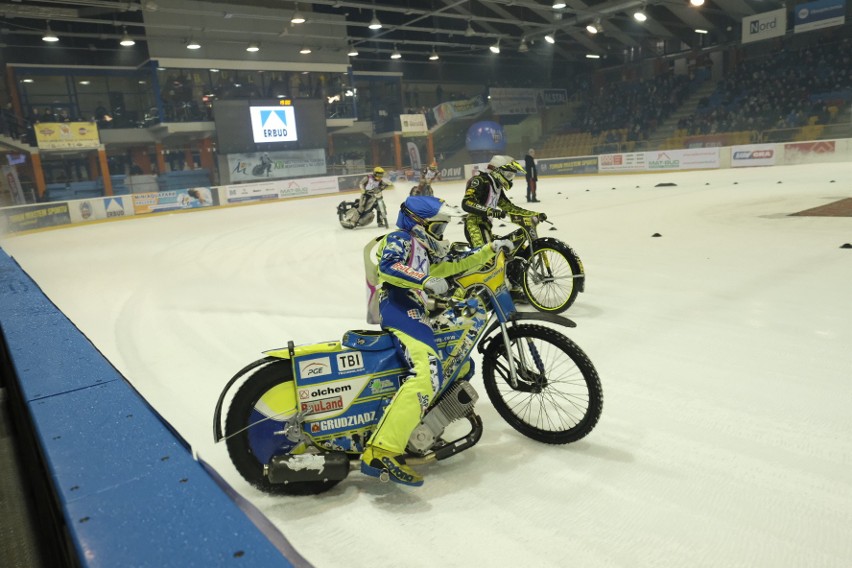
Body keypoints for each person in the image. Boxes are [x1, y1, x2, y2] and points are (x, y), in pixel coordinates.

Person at [361, 195, 512, 486]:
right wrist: (423, 281)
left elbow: (452, 265)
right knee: (428, 373)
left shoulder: (419, 247)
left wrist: (490, 249)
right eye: (438, 229)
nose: (441, 236)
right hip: (397, 304)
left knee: (455, 361)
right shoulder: (399, 238)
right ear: (419, 224)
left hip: (411, 304)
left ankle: (422, 423)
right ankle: (381, 451)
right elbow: (388, 267)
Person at [461, 155, 545, 250]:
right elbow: (467, 202)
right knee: (486, 259)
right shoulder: (480, 181)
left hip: (486, 226)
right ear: (498, 171)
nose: (511, 179)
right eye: (509, 175)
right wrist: (491, 211)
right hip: (474, 226)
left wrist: (533, 214)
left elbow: (509, 208)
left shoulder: (497, 187)